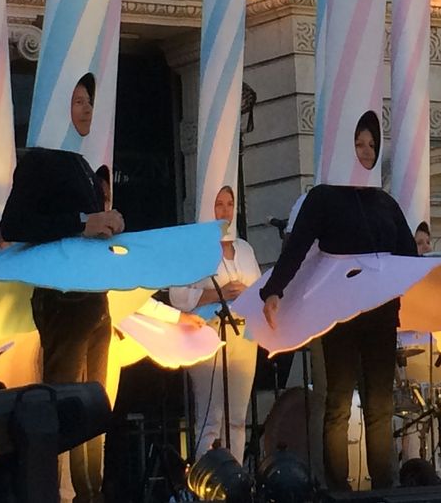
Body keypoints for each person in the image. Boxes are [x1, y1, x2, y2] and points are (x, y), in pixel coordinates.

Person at [260, 111, 417, 490]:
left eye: (371, 146)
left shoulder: (384, 202)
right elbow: (297, 247)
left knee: (381, 403)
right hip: (340, 312)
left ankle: (384, 483)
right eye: (359, 144)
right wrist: (274, 290)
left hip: (380, 314)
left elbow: (409, 254)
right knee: (339, 402)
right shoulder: (325, 197)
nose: (365, 152)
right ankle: (338, 485)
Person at [0, 74, 124, 502]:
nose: (87, 109)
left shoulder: (82, 164)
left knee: (94, 405)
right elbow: (12, 226)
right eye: (76, 101)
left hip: (95, 300)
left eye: (89, 101)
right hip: (62, 300)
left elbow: (87, 228)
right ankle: (58, 493)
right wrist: (82, 222)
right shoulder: (39, 161)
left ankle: (91, 492)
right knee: (65, 403)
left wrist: (108, 221)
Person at [170, 186, 262, 462]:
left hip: (243, 333)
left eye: (229, 204)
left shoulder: (244, 248)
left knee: (237, 417)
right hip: (208, 331)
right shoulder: (194, 250)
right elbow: (178, 296)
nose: (225, 211)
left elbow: (258, 289)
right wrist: (219, 293)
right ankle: (207, 481)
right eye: (218, 204)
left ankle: (235, 479)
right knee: (211, 416)